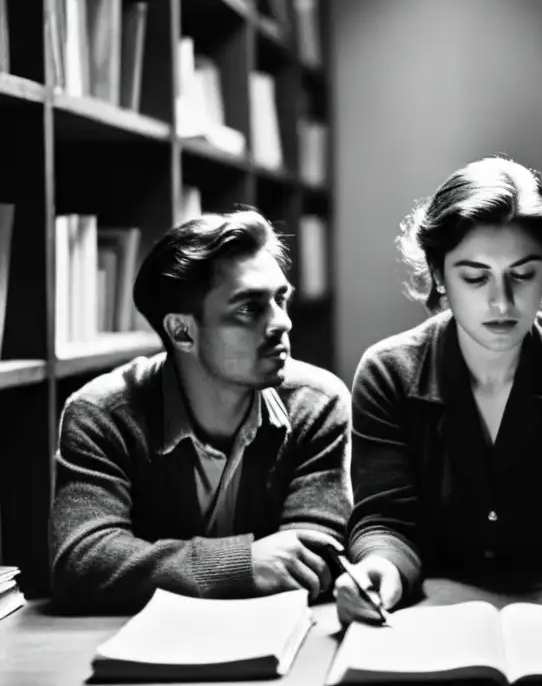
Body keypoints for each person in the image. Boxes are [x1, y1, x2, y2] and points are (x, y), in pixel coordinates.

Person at [335, 156, 542, 625]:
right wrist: (376, 570)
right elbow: (387, 521)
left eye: (523, 275)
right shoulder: (388, 372)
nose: (502, 302)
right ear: (439, 274)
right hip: (429, 617)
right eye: (475, 277)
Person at [50, 210, 352, 613]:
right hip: (142, 651)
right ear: (182, 331)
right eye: (249, 308)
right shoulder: (101, 414)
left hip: (280, 641)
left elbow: (314, 556)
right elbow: (82, 562)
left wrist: (163, 570)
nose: (281, 323)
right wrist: (240, 565)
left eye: (281, 299)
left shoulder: (316, 403)